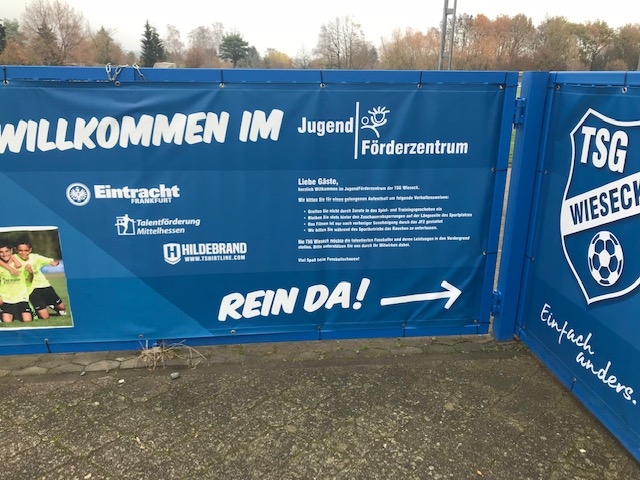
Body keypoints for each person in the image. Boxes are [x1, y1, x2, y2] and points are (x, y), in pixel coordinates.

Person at [14, 239, 67, 319]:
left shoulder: (35, 257)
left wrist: (54, 262)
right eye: (20, 250)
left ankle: (49, 304)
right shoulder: (14, 258)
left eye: (26, 250)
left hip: (44, 285)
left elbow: (51, 260)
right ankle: (37, 308)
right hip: (31, 289)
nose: (23, 253)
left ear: (30, 250)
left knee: (62, 308)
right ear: (16, 250)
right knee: (45, 317)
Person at [0, 241, 33, 323]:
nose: (4, 254)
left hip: (21, 298)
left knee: (27, 320)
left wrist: (31, 273)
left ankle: (32, 310)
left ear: (11, 251)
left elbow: (29, 280)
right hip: (6, 298)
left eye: (6, 251)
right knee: (7, 322)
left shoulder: (20, 263)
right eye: (1, 252)